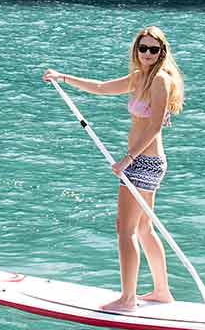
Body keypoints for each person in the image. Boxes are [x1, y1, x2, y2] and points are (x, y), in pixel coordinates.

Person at [43, 26, 185, 312]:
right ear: (136, 50)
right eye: (143, 48)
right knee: (144, 228)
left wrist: (127, 159)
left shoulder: (160, 80)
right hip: (145, 161)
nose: (147, 54)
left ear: (162, 52)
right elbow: (101, 87)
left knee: (125, 230)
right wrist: (63, 78)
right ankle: (161, 292)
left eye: (153, 49)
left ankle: (128, 299)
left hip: (143, 162)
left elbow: (155, 126)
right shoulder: (141, 77)